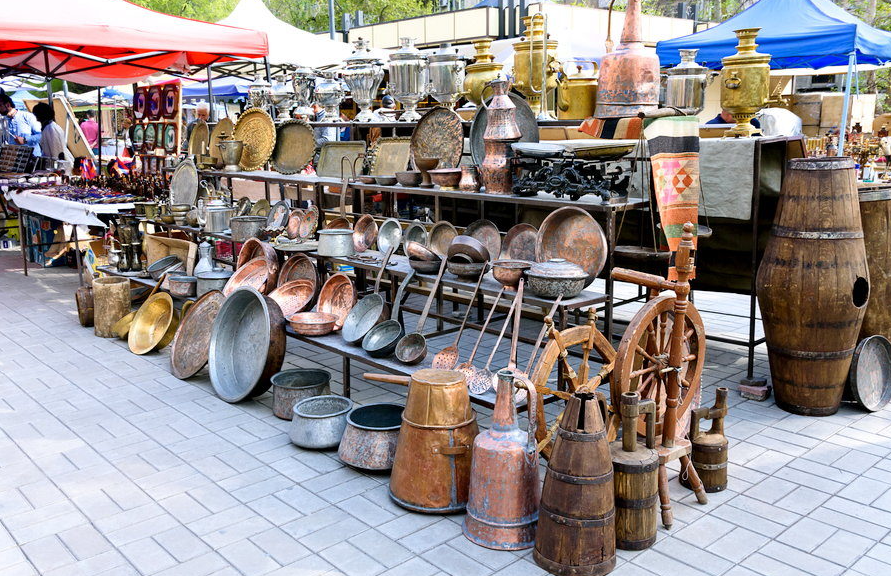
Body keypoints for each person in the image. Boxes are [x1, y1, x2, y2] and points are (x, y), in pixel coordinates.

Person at [32, 102, 74, 172]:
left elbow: (57, 153)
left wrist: (56, 170)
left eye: (36, 115)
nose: (36, 118)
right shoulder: (47, 127)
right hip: (53, 166)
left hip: (59, 168)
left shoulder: (51, 129)